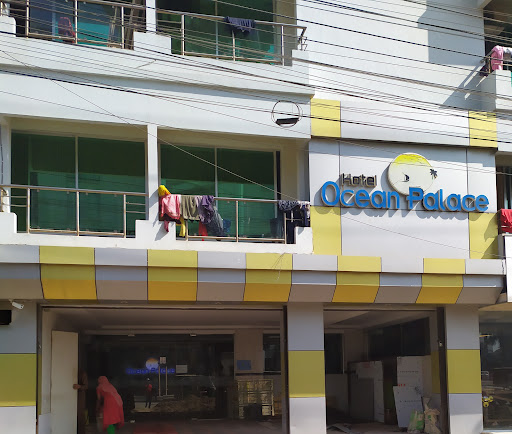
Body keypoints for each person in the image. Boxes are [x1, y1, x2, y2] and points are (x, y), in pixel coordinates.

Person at [73, 370, 88, 434]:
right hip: (70, 398)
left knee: (80, 415)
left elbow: (86, 386)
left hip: (80, 397)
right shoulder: (68, 371)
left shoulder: (82, 373)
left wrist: (79, 386)